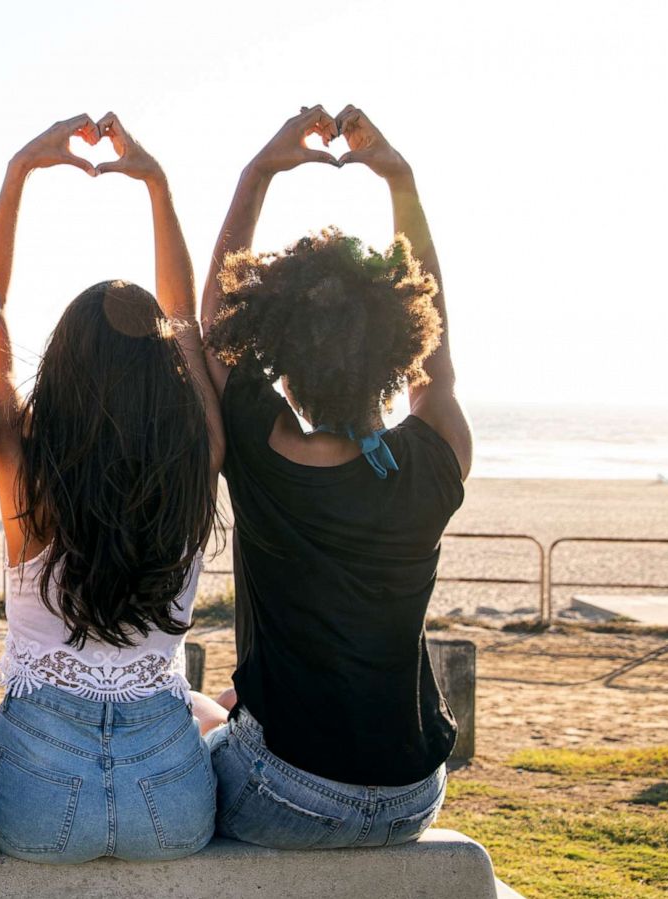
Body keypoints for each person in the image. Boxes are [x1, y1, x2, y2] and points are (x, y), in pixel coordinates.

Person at [199, 106, 472, 850]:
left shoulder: (257, 447)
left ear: (279, 351)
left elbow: (214, 324)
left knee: (189, 712)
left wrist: (259, 173)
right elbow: (439, 363)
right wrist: (398, 178)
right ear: (401, 345)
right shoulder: (433, 456)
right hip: (414, 795)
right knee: (225, 702)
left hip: (291, 795)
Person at [0, 114, 226, 863]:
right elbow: (184, 323)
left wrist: (19, 172)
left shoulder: (27, 465)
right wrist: (157, 184)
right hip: (171, 800)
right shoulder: (199, 454)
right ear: (168, 375)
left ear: (66, 369)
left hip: (36, 793)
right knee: (207, 710)